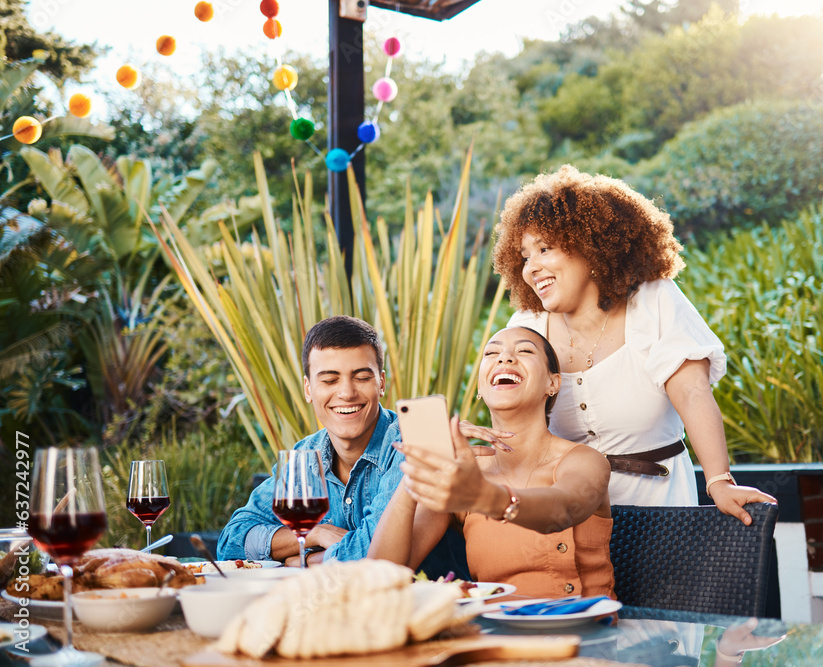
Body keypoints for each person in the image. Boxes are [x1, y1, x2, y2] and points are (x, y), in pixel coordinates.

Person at [484, 165, 776, 523]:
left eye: (545, 249)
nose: (532, 268)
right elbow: (512, 416)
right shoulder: (526, 327)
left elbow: (692, 392)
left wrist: (719, 481)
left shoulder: (654, 301)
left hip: (661, 510)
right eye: (525, 256)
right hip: (569, 515)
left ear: (589, 247)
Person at [369, 326, 614, 599]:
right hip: (493, 632)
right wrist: (418, 470)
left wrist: (484, 497)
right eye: (491, 352)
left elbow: (563, 511)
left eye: (523, 350)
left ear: (552, 383)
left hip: (583, 633)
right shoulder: (465, 477)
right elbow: (383, 575)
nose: (505, 358)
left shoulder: (583, 460)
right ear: (480, 387)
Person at [217, 315, 466, 574]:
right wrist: (315, 534)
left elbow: (373, 561)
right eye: (329, 380)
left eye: (360, 377)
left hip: (431, 606)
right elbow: (231, 543)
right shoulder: (306, 456)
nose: (346, 393)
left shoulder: (410, 444)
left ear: (381, 383)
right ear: (308, 389)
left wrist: (303, 560)